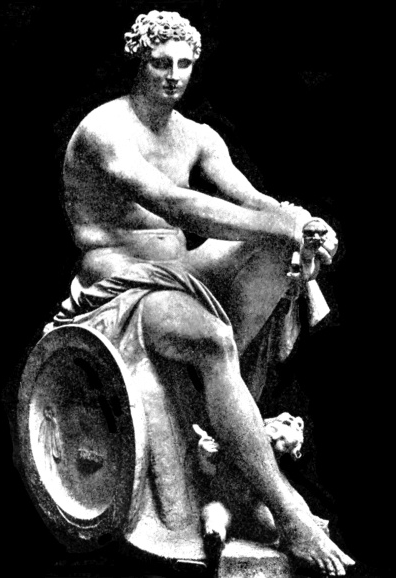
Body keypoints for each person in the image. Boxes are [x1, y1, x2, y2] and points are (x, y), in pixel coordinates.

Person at [53, 10, 354, 576]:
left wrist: (306, 227)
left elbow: (252, 201)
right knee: (213, 337)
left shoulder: (197, 136)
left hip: (182, 272)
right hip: (120, 287)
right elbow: (175, 204)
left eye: (184, 63)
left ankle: (234, 460)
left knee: (280, 244)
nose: (173, 74)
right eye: (160, 62)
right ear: (138, 63)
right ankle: (288, 510)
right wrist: (279, 224)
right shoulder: (103, 130)